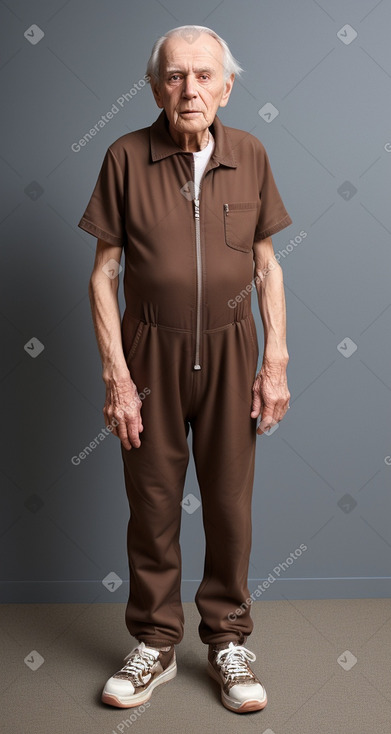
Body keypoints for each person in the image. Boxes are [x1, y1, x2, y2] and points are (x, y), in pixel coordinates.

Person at [78, 24, 292, 714]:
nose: (189, 89)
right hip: (150, 356)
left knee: (229, 506)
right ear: (154, 86)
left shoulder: (251, 155)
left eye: (203, 76)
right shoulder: (123, 157)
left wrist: (276, 360)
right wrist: (116, 377)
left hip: (233, 354)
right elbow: (104, 273)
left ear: (227, 86)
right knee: (153, 507)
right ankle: (155, 642)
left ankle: (227, 640)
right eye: (174, 76)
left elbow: (264, 265)